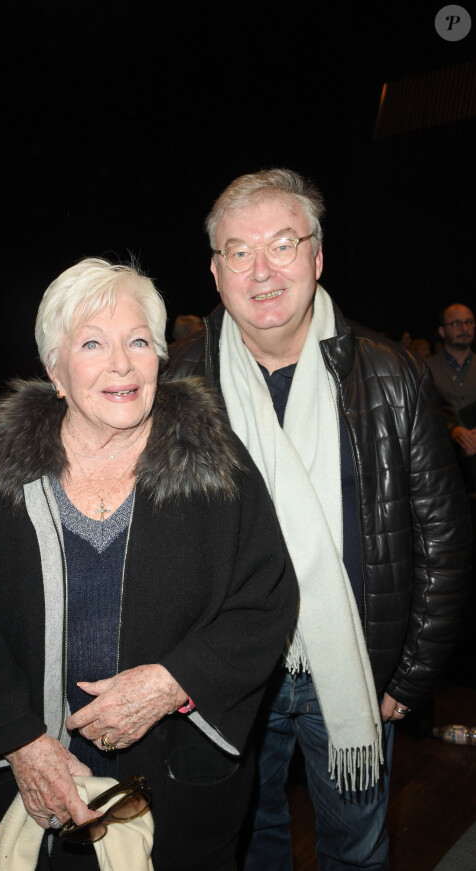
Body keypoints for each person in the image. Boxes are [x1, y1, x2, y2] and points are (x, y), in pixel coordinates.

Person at [0, 257, 298, 871]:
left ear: (160, 358)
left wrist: (173, 681)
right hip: (35, 784)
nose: (121, 364)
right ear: (55, 370)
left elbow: (265, 598)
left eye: (139, 341)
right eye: (93, 343)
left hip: (178, 778)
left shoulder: (217, 467)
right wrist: (20, 744)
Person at [166, 168, 472, 871]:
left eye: (282, 244)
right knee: (249, 845)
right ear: (216, 273)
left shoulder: (390, 373)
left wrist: (408, 679)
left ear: (317, 256)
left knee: (357, 849)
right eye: (239, 252)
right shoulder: (180, 384)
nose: (263, 271)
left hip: (356, 665)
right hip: (228, 675)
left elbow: (444, 540)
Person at [427, 303, 476, 488]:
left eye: (469, 322)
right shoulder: (425, 368)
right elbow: (422, 414)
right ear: (441, 331)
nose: (464, 328)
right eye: (456, 324)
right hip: (443, 469)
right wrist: (452, 431)